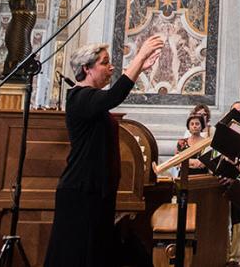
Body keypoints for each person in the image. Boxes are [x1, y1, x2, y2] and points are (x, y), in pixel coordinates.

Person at [43, 35, 164, 267]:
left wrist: (139, 68)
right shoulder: (80, 97)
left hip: (96, 190)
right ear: (86, 68)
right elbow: (115, 96)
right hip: (81, 190)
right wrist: (140, 56)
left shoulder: (90, 99)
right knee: (77, 255)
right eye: (105, 62)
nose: (111, 67)